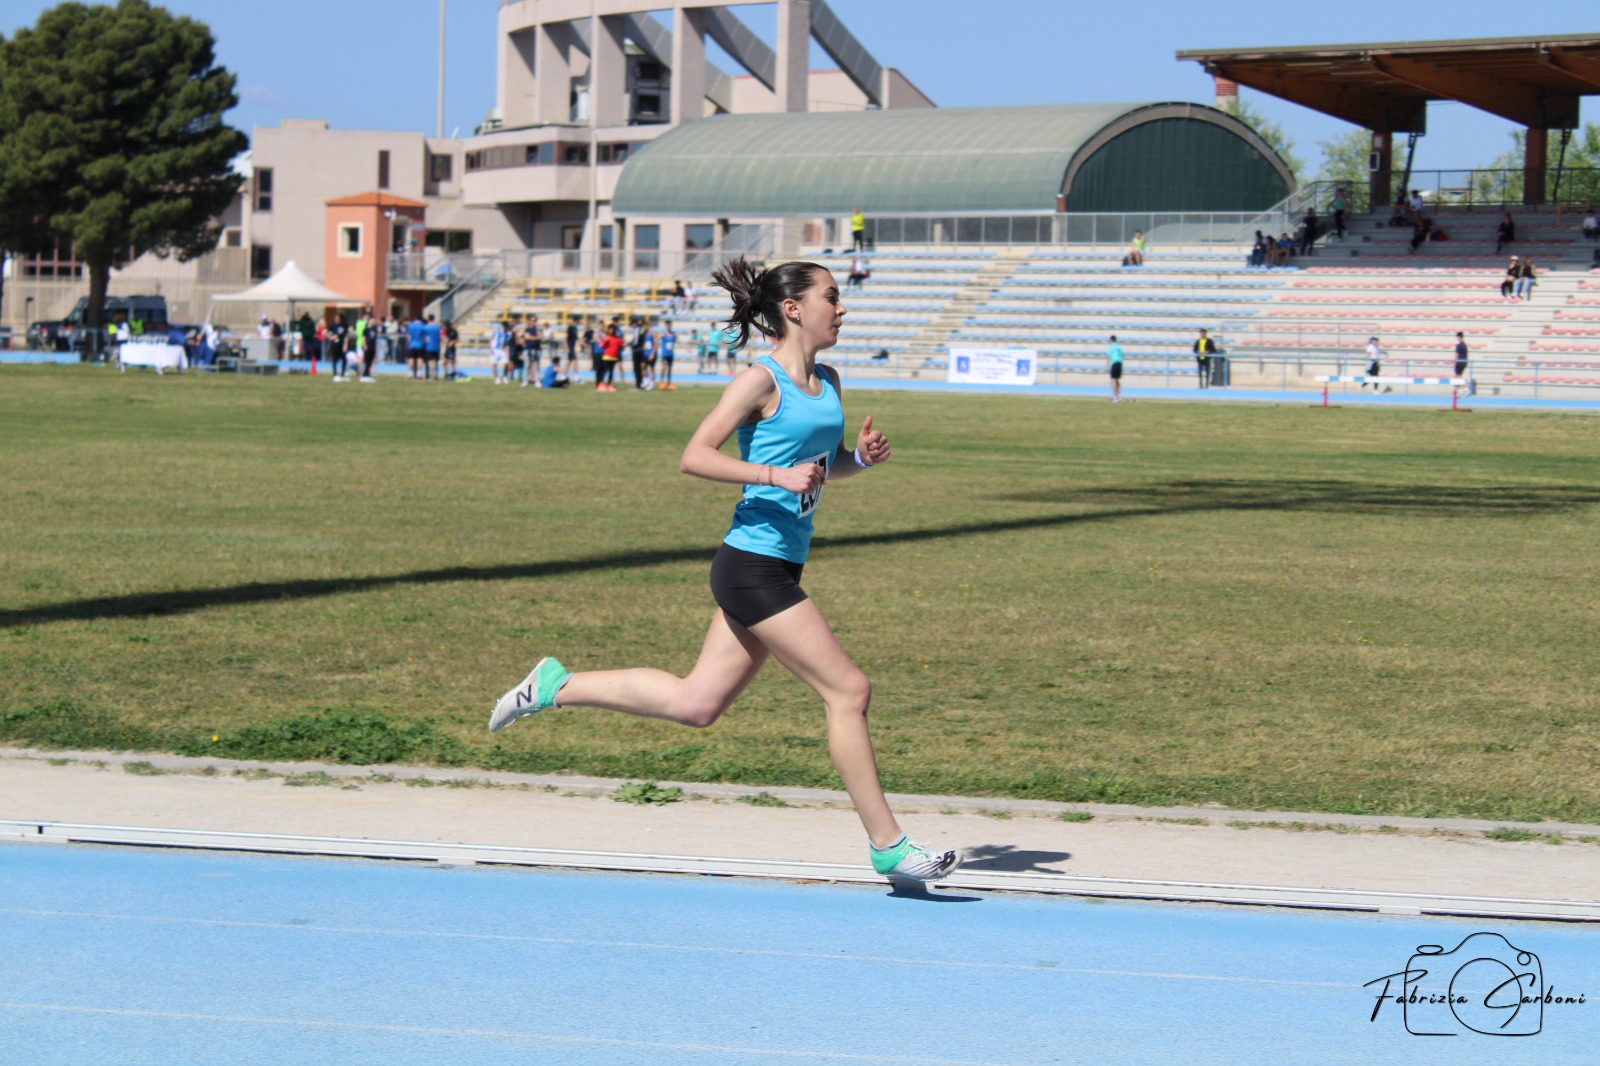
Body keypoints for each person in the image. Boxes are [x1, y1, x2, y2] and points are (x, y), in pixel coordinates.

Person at [488, 257, 960, 886]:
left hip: (781, 562)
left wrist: (861, 461)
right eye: (831, 297)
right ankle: (889, 847)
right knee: (849, 691)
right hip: (751, 566)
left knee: (697, 703)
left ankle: (555, 685)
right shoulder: (759, 381)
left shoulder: (829, 380)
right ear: (793, 309)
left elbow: (822, 467)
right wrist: (773, 476)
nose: (842, 308)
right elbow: (694, 456)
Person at [598, 322, 623, 391]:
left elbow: (620, 346)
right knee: (605, 371)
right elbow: (601, 345)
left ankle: (609, 385)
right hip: (606, 356)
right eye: (610, 329)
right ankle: (600, 384)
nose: (611, 331)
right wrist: (605, 341)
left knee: (611, 371)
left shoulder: (617, 338)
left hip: (614, 357)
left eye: (612, 329)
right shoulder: (607, 337)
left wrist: (622, 343)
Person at [490, 319, 510, 384]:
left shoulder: (508, 333)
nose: (505, 328)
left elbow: (507, 343)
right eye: (504, 326)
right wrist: (491, 348)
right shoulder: (497, 331)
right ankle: (496, 378)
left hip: (502, 349)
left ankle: (504, 376)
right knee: (494, 363)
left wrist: (507, 352)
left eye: (506, 327)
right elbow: (491, 339)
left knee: (506, 363)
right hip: (495, 349)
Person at [659, 320, 677, 390]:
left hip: (671, 354)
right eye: (667, 325)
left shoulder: (673, 334)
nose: (668, 327)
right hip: (665, 354)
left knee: (669, 368)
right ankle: (661, 382)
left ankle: (669, 384)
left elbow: (679, 341)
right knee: (664, 367)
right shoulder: (663, 334)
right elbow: (656, 339)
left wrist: (686, 348)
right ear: (666, 326)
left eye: (669, 325)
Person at [1106, 334, 1124, 403]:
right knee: (1117, 380)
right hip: (1120, 363)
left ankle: (1115, 397)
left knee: (1113, 380)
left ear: (1111, 340)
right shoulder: (1119, 346)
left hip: (1114, 363)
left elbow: (1108, 357)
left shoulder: (1111, 347)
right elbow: (1122, 355)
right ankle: (1118, 396)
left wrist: (1107, 367)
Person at [423, 314, 442, 380]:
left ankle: (431, 375)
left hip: (428, 346)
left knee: (430, 361)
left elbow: (424, 337)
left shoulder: (426, 327)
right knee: (436, 361)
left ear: (429, 319)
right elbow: (440, 336)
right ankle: (436, 374)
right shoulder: (437, 327)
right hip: (436, 346)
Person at [407, 315, 426, 379]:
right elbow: (424, 337)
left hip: (412, 344)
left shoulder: (411, 325)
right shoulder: (423, 326)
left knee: (411, 359)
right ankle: (419, 374)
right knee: (419, 359)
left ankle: (410, 374)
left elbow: (409, 336)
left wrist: (409, 344)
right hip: (420, 344)